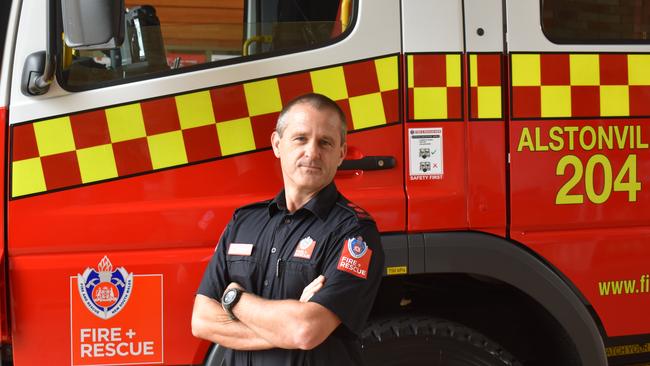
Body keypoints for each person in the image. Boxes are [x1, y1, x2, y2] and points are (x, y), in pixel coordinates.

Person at [191, 93, 385, 365]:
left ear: (341, 154)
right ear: (277, 144)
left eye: (325, 142)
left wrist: (234, 299)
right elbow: (201, 321)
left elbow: (306, 330)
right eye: (301, 138)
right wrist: (287, 327)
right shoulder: (245, 222)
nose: (312, 152)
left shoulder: (354, 233)